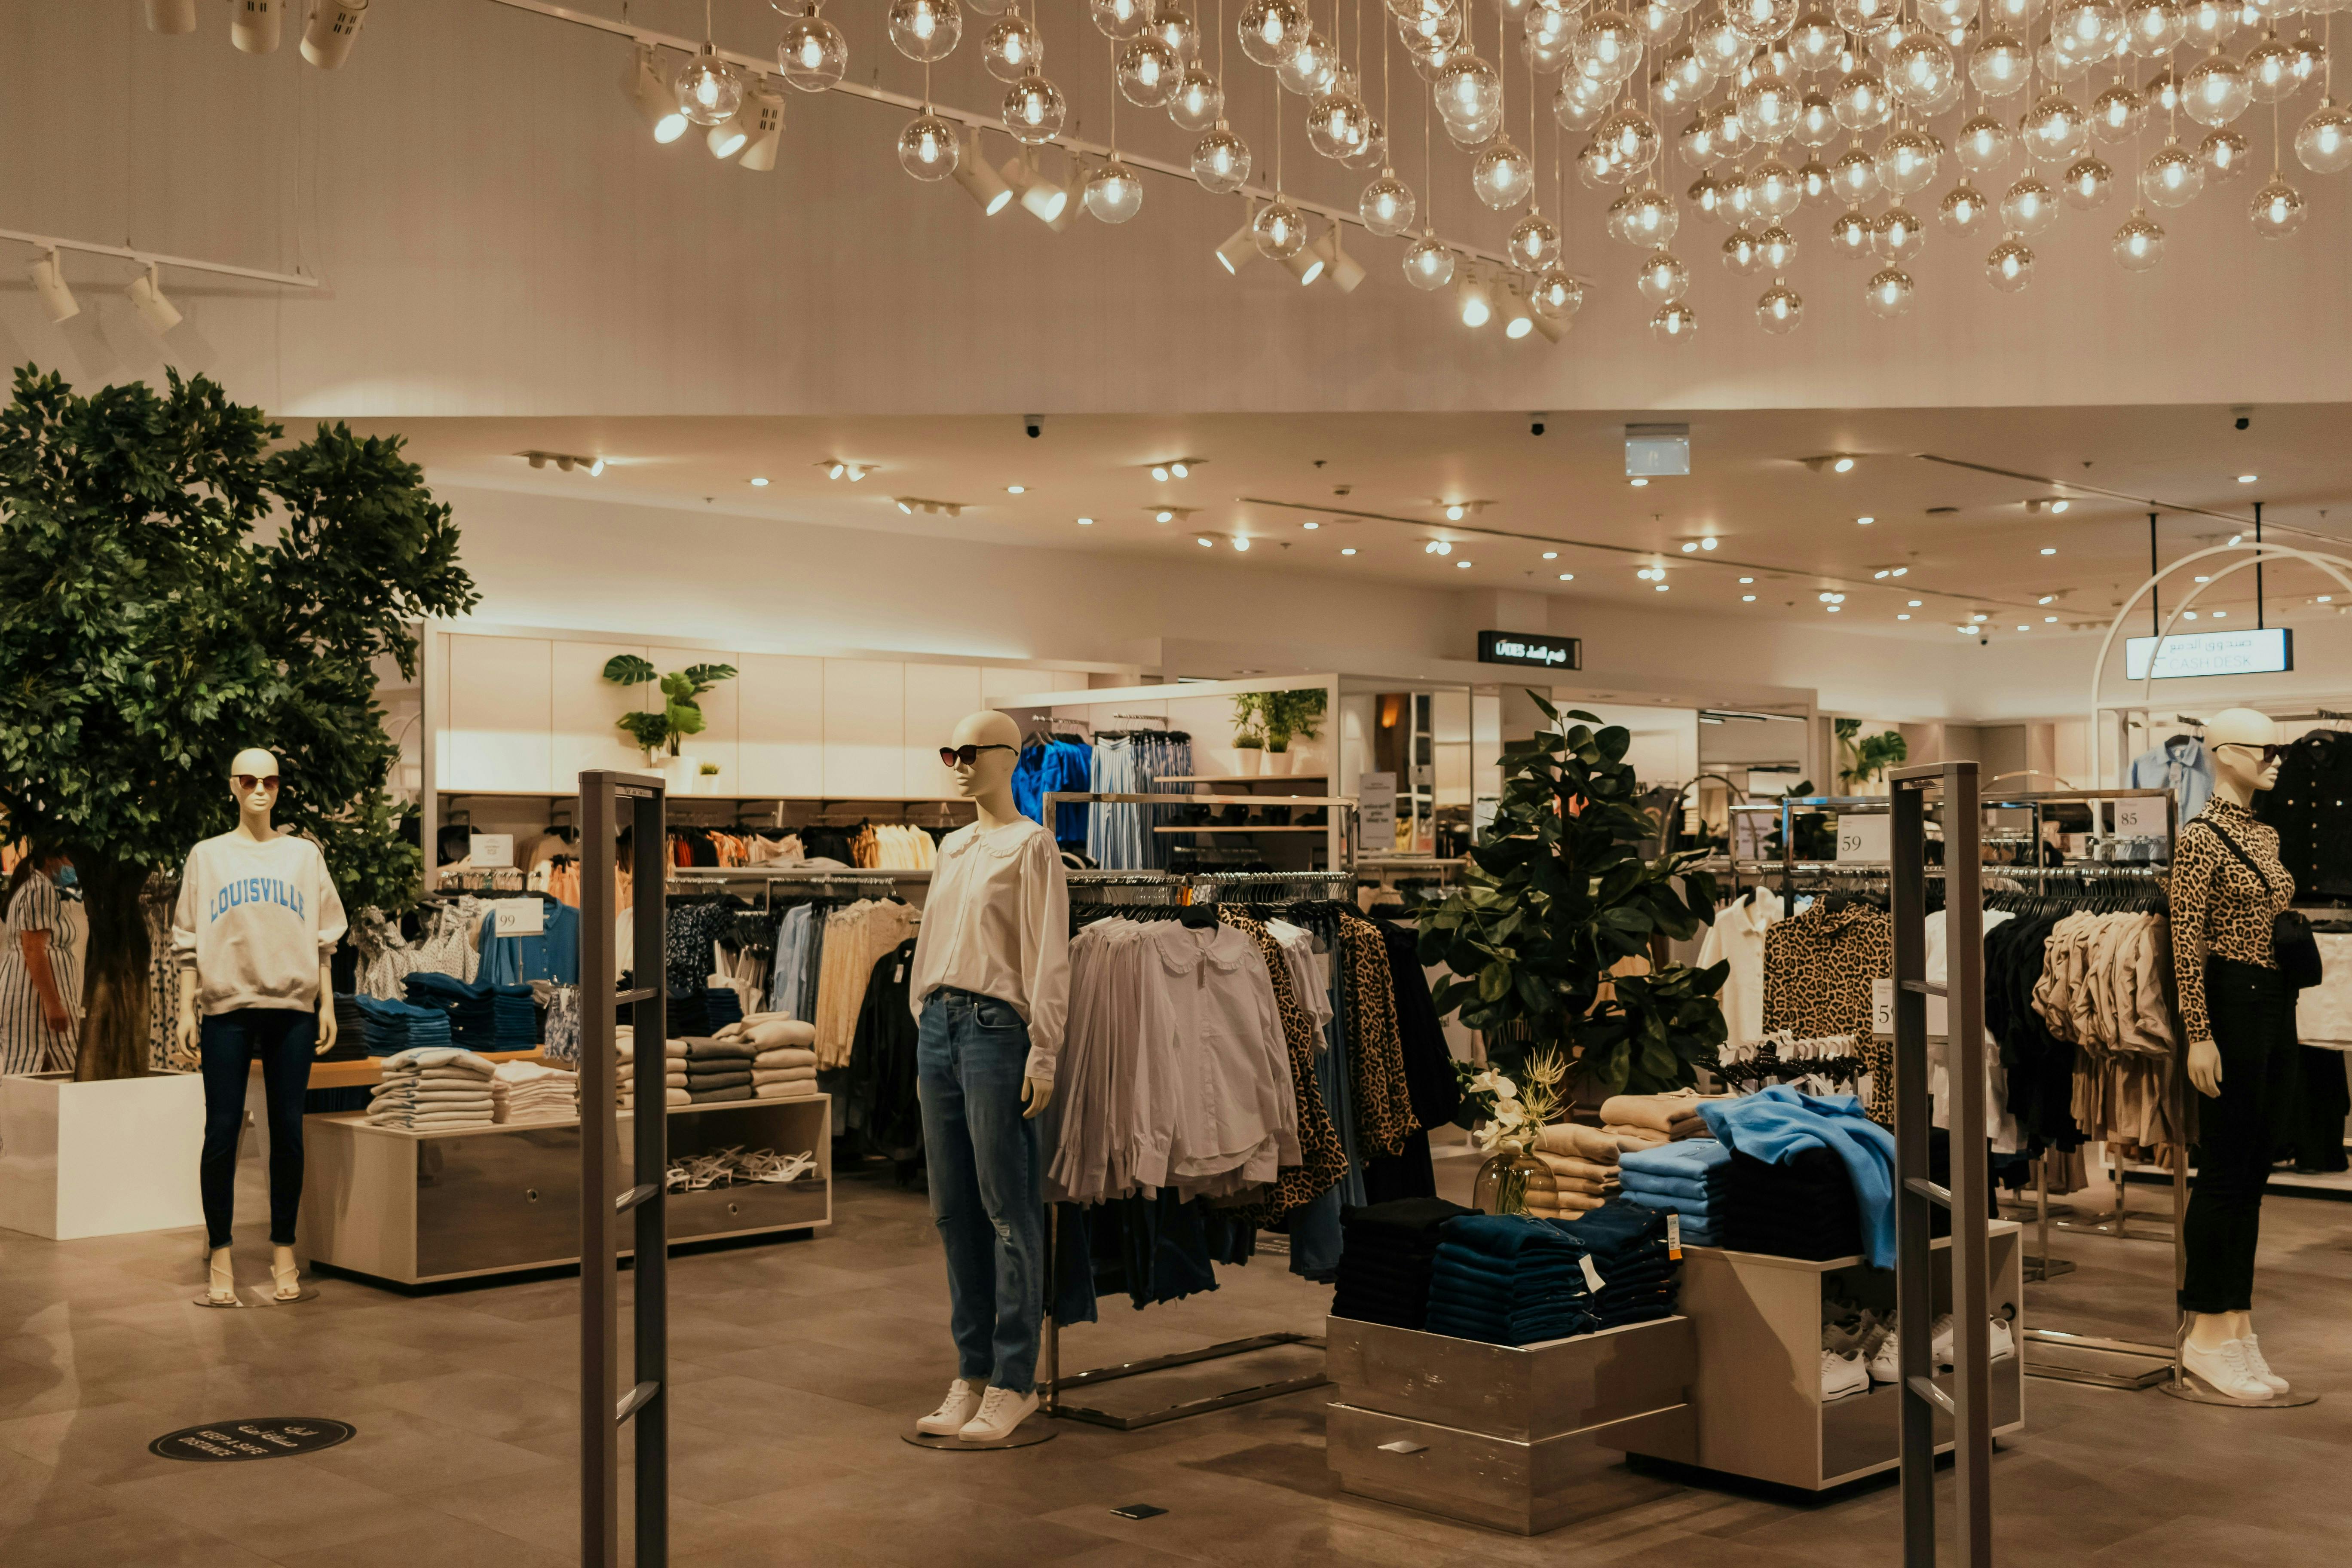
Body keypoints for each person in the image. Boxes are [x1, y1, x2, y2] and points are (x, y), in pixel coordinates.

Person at [0, 847, 81, 1075]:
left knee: (24, 1066)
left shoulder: (33, 886)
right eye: (68, 859)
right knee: (34, 1067)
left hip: (28, 994)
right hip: (34, 998)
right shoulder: (41, 888)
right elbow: (33, 949)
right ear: (51, 860)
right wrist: (54, 1004)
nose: (72, 867)